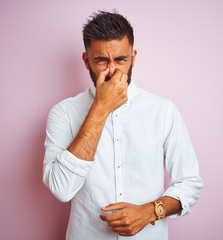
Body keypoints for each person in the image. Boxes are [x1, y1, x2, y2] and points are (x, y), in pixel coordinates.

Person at [43, 10, 203, 240]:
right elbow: (61, 188)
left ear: (133, 57)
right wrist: (101, 108)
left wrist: (150, 212)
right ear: (86, 60)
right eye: (101, 60)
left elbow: (189, 182)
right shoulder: (63, 113)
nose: (112, 70)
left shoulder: (163, 110)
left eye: (121, 59)